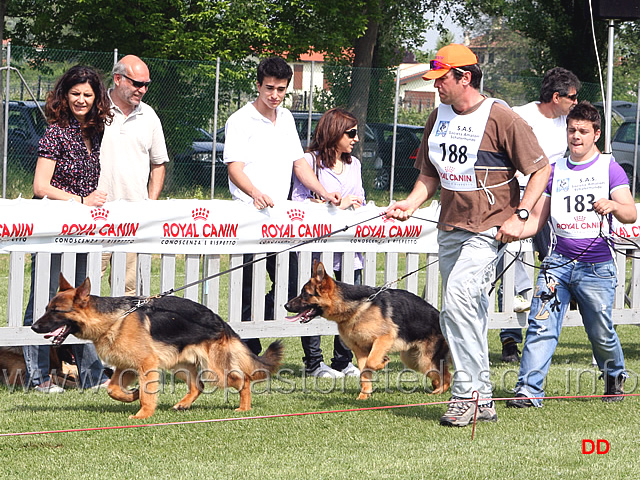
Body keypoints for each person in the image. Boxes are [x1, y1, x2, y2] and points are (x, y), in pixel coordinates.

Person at [385, 44, 551, 427]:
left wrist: (521, 214)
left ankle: (468, 397)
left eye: (442, 79)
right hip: (449, 228)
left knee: (457, 303)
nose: (436, 87)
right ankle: (484, 399)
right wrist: (410, 204)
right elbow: (429, 175)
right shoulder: (436, 116)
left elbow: (540, 170)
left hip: (489, 229)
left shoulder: (501, 117)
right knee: (468, 313)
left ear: (465, 77)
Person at [507, 101, 636, 408]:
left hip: (597, 266)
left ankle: (614, 375)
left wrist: (614, 206)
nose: (575, 136)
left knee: (600, 332)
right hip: (557, 264)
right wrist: (510, 231)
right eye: (571, 130)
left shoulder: (610, 167)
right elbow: (538, 219)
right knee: (541, 325)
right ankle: (529, 392)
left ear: (596, 134)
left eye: (582, 131)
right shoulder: (553, 171)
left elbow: (630, 212)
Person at [223, 57, 341, 369]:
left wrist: (323, 191)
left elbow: (299, 163)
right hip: (248, 217)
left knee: (290, 286)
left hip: (281, 219)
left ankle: (254, 334)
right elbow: (234, 168)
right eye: (269, 88)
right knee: (246, 288)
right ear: (258, 85)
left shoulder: (286, 118)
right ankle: (248, 350)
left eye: (281, 90)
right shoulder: (239, 120)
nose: (274, 95)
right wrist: (255, 192)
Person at [24, 65, 112, 392]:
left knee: (80, 304)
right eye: (75, 93)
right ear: (65, 95)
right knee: (43, 301)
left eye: (87, 94)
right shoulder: (56, 132)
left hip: (82, 231)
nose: (81, 100)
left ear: (96, 98)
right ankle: (37, 378)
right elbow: (40, 185)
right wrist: (80, 200)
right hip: (51, 228)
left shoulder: (95, 132)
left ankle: (92, 376)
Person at [499, 67, 581, 363]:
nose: (575, 102)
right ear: (556, 96)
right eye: (571, 97)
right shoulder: (520, 116)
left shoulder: (569, 123)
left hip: (551, 202)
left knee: (555, 266)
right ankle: (509, 340)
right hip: (518, 198)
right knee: (508, 267)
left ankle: (543, 333)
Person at [290, 107, 364, 378]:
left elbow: (360, 199)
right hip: (317, 252)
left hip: (350, 250)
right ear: (335, 133)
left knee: (349, 308)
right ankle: (313, 363)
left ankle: (343, 361)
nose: (356, 138)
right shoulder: (309, 161)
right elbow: (298, 201)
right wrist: (332, 206)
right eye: (351, 133)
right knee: (314, 304)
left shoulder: (354, 164)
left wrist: (352, 205)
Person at [98, 55, 170, 295]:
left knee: (127, 293)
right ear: (118, 79)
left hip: (132, 220)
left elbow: (158, 164)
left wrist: (150, 204)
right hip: (94, 216)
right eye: (137, 83)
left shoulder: (149, 116)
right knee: (84, 291)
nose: (143, 90)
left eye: (146, 85)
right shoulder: (94, 108)